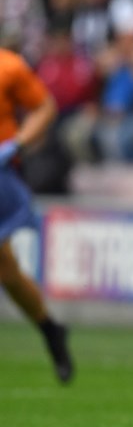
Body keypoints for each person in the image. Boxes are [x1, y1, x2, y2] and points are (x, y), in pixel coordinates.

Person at [0, 47, 74, 383]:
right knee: (6, 269)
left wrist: (16, 144)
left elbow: (44, 107)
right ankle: (50, 329)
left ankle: (49, 328)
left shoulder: (8, 66)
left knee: (7, 271)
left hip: (2, 176)